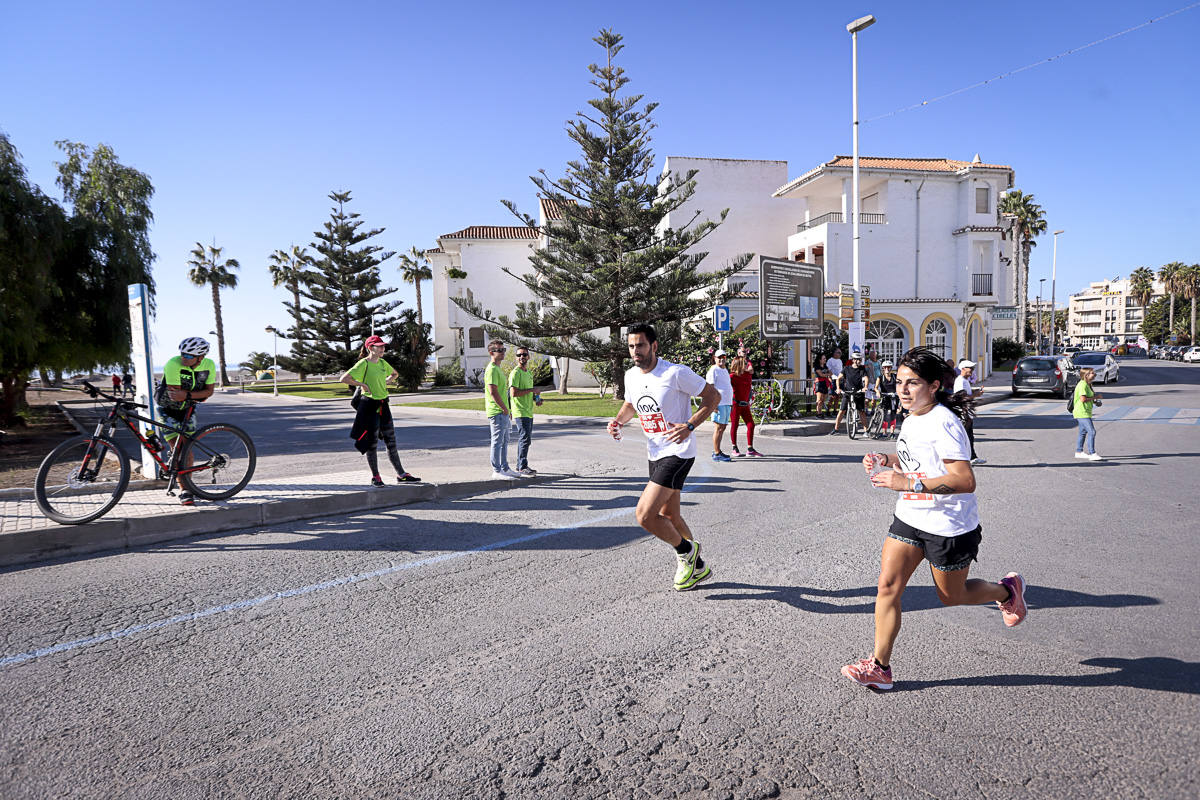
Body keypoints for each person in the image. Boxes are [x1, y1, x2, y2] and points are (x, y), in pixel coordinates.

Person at [842, 346, 1027, 691]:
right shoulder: (912, 418)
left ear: (934, 385)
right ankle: (880, 667)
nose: (902, 390)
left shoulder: (946, 423)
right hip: (910, 516)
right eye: (899, 382)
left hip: (949, 527)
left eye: (912, 383)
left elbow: (964, 480)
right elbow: (912, 457)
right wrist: (885, 458)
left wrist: (906, 481)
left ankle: (1006, 592)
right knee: (887, 587)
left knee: (951, 596)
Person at [607, 323, 720, 591]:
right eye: (632, 346)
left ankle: (686, 553)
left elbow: (713, 396)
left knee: (645, 516)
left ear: (654, 346)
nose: (636, 351)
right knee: (669, 515)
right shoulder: (631, 375)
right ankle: (698, 567)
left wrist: (690, 424)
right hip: (655, 451)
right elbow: (631, 404)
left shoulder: (675, 373)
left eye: (641, 345)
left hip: (678, 452)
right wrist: (618, 422)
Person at [341, 334, 421, 487]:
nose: (383, 348)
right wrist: (362, 385)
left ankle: (401, 474)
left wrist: (387, 382)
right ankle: (376, 476)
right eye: (380, 346)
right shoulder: (363, 364)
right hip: (369, 406)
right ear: (371, 348)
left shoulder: (383, 363)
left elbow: (395, 374)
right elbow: (344, 378)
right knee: (371, 444)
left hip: (384, 405)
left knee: (391, 441)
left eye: (383, 346)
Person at [155, 337, 218, 506]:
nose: (184, 358)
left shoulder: (209, 365)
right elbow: (176, 395)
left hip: (188, 410)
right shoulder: (173, 364)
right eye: (183, 354)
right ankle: (185, 490)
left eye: (189, 356)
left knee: (186, 451)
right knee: (179, 449)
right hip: (167, 409)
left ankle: (186, 487)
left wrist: (189, 396)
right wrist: (197, 395)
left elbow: (209, 392)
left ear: (200, 357)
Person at [484, 339, 520, 480]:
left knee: (505, 441)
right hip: (497, 411)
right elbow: (493, 392)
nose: (502, 352)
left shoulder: (497, 368)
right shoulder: (492, 369)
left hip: (503, 411)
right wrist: (504, 409)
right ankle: (497, 470)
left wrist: (508, 410)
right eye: (499, 350)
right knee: (497, 441)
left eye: (503, 350)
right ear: (491, 352)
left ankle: (505, 468)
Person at [509, 346, 543, 476]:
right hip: (520, 411)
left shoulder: (528, 373)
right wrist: (532, 390)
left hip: (528, 411)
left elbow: (528, 391)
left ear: (528, 357)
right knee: (524, 439)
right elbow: (513, 393)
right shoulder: (515, 372)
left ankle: (521, 465)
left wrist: (537, 398)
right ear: (516, 358)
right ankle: (521, 467)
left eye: (524, 354)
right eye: (519, 355)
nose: (521, 357)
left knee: (527, 439)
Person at [953, 359, 985, 465]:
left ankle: (972, 457)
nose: (972, 370)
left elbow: (967, 394)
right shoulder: (960, 381)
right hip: (963, 412)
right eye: (970, 368)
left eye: (973, 368)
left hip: (967, 411)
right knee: (965, 436)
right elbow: (961, 398)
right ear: (962, 369)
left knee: (969, 435)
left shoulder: (965, 380)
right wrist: (975, 395)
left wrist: (975, 392)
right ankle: (963, 459)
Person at [728, 356, 761, 457]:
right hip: (735, 404)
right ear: (739, 365)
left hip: (745, 404)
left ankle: (750, 449)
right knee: (735, 425)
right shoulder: (732, 377)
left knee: (751, 424)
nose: (746, 365)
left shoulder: (748, 374)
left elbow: (751, 368)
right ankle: (734, 448)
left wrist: (746, 359)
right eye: (744, 363)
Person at [706, 350, 734, 462]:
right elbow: (710, 388)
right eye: (719, 357)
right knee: (718, 428)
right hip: (719, 404)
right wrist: (713, 404)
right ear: (714, 358)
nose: (722, 359)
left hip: (727, 403)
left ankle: (718, 450)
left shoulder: (724, 369)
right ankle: (717, 453)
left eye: (724, 357)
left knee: (723, 427)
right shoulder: (713, 370)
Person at [833, 350, 869, 435]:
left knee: (862, 412)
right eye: (857, 359)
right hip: (847, 392)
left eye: (860, 359)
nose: (859, 361)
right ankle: (836, 429)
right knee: (841, 411)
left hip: (859, 392)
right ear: (853, 360)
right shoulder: (847, 368)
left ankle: (866, 431)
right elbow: (838, 378)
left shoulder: (862, 369)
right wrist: (838, 388)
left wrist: (865, 387)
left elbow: (866, 378)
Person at [1072, 367, 1103, 461]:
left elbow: (1088, 397)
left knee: (1083, 432)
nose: (1095, 374)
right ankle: (1092, 453)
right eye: (1093, 373)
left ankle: (1079, 452)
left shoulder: (1087, 384)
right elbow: (1083, 399)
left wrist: (1095, 401)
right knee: (1092, 432)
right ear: (1086, 375)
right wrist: (1095, 397)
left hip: (1085, 411)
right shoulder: (1082, 385)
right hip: (1082, 412)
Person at [876, 360, 900, 437]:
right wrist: (877, 392)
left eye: (889, 367)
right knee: (885, 415)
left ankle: (892, 433)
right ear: (883, 368)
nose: (887, 369)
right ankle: (884, 432)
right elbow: (876, 387)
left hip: (893, 397)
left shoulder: (894, 376)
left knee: (893, 415)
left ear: (891, 368)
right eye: (885, 367)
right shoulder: (880, 377)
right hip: (885, 397)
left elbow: (900, 385)